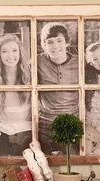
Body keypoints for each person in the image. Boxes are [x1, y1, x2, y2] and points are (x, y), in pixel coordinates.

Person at [37, 22, 79, 154]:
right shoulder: (37, 62)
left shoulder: (79, 63)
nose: (55, 45)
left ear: (67, 42)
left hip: (71, 122)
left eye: (59, 40)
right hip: (45, 123)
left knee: (71, 160)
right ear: (44, 45)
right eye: (50, 42)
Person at [0, 34, 32, 156]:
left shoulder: (29, 77)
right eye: (4, 51)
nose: (10, 56)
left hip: (26, 135)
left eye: (14, 50)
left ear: (20, 52)